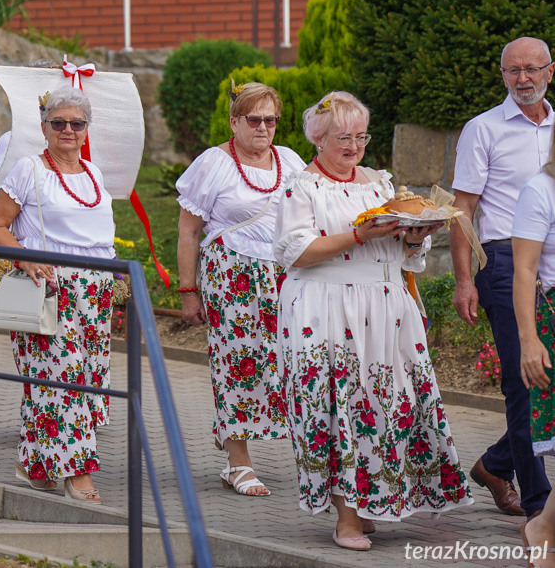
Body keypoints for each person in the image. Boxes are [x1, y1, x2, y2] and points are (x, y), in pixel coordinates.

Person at [274, 91, 472, 551]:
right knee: (339, 407)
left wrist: (416, 237)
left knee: (389, 401)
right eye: (343, 137)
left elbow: (399, 251)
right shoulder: (302, 186)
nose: (354, 146)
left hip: (386, 304)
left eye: (361, 136)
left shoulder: (380, 184)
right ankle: (346, 516)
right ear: (317, 138)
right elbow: (296, 253)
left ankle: (372, 499)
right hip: (325, 306)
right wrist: (359, 235)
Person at [175, 81, 305, 496]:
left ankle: (302, 453)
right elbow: (188, 231)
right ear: (235, 122)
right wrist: (188, 291)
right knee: (239, 365)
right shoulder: (213, 163)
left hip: (284, 277)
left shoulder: (290, 161)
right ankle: (238, 461)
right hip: (232, 278)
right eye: (254, 119)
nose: (263, 127)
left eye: (271, 120)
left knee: (288, 366)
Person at [0, 86, 113, 504]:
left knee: (86, 380)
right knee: (63, 381)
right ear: (43, 127)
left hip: (95, 294)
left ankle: (34, 463)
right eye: (58, 123)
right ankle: (77, 474)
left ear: (86, 129)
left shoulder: (93, 174)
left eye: (77, 123)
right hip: (49, 290)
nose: (68, 130)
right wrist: (25, 259)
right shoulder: (29, 169)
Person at [451, 36, 555, 519]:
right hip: (507, 262)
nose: (523, 78)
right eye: (513, 70)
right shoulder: (483, 129)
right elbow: (463, 210)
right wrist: (464, 280)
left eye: (532, 68)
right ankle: (539, 503)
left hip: (552, 262)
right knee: (525, 382)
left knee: (548, 382)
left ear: (550, 71)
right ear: (502, 76)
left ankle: (494, 463)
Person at [514, 132, 555, 568]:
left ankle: (545, 524)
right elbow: (524, 270)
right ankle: (543, 526)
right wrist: (529, 339)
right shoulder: (540, 189)